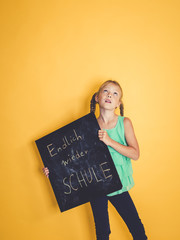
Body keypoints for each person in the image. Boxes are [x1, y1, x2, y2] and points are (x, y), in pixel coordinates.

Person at [42, 80, 148, 240]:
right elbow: (76, 159)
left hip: (118, 184)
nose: (109, 95)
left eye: (115, 93)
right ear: (97, 97)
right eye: (105, 91)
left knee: (136, 226)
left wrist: (110, 141)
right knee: (102, 231)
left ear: (118, 103)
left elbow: (135, 154)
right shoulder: (87, 126)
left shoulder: (124, 123)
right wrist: (54, 171)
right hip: (96, 184)